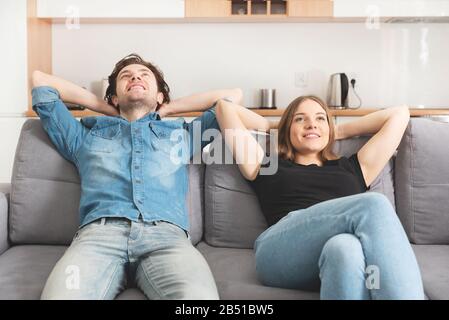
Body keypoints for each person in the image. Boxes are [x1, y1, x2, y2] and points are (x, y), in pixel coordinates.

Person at [32, 53, 242, 299]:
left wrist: (170, 108)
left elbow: (232, 97)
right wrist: (103, 107)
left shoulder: (183, 135)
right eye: (126, 76)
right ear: (114, 97)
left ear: (160, 96)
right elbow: (40, 82)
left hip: (167, 239)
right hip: (98, 238)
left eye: (144, 76)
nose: (135, 77)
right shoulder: (84, 136)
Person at [215, 95, 424, 300]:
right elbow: (225, 108)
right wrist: (278, 127)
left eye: (320, 118)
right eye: (300, 119)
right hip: (282, 250)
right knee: (374, 204)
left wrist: (337, 130)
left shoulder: (352, 168)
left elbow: (399, 114)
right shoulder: (268, 165)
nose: (311, 124)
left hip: (333, 251)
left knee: (345, 249)